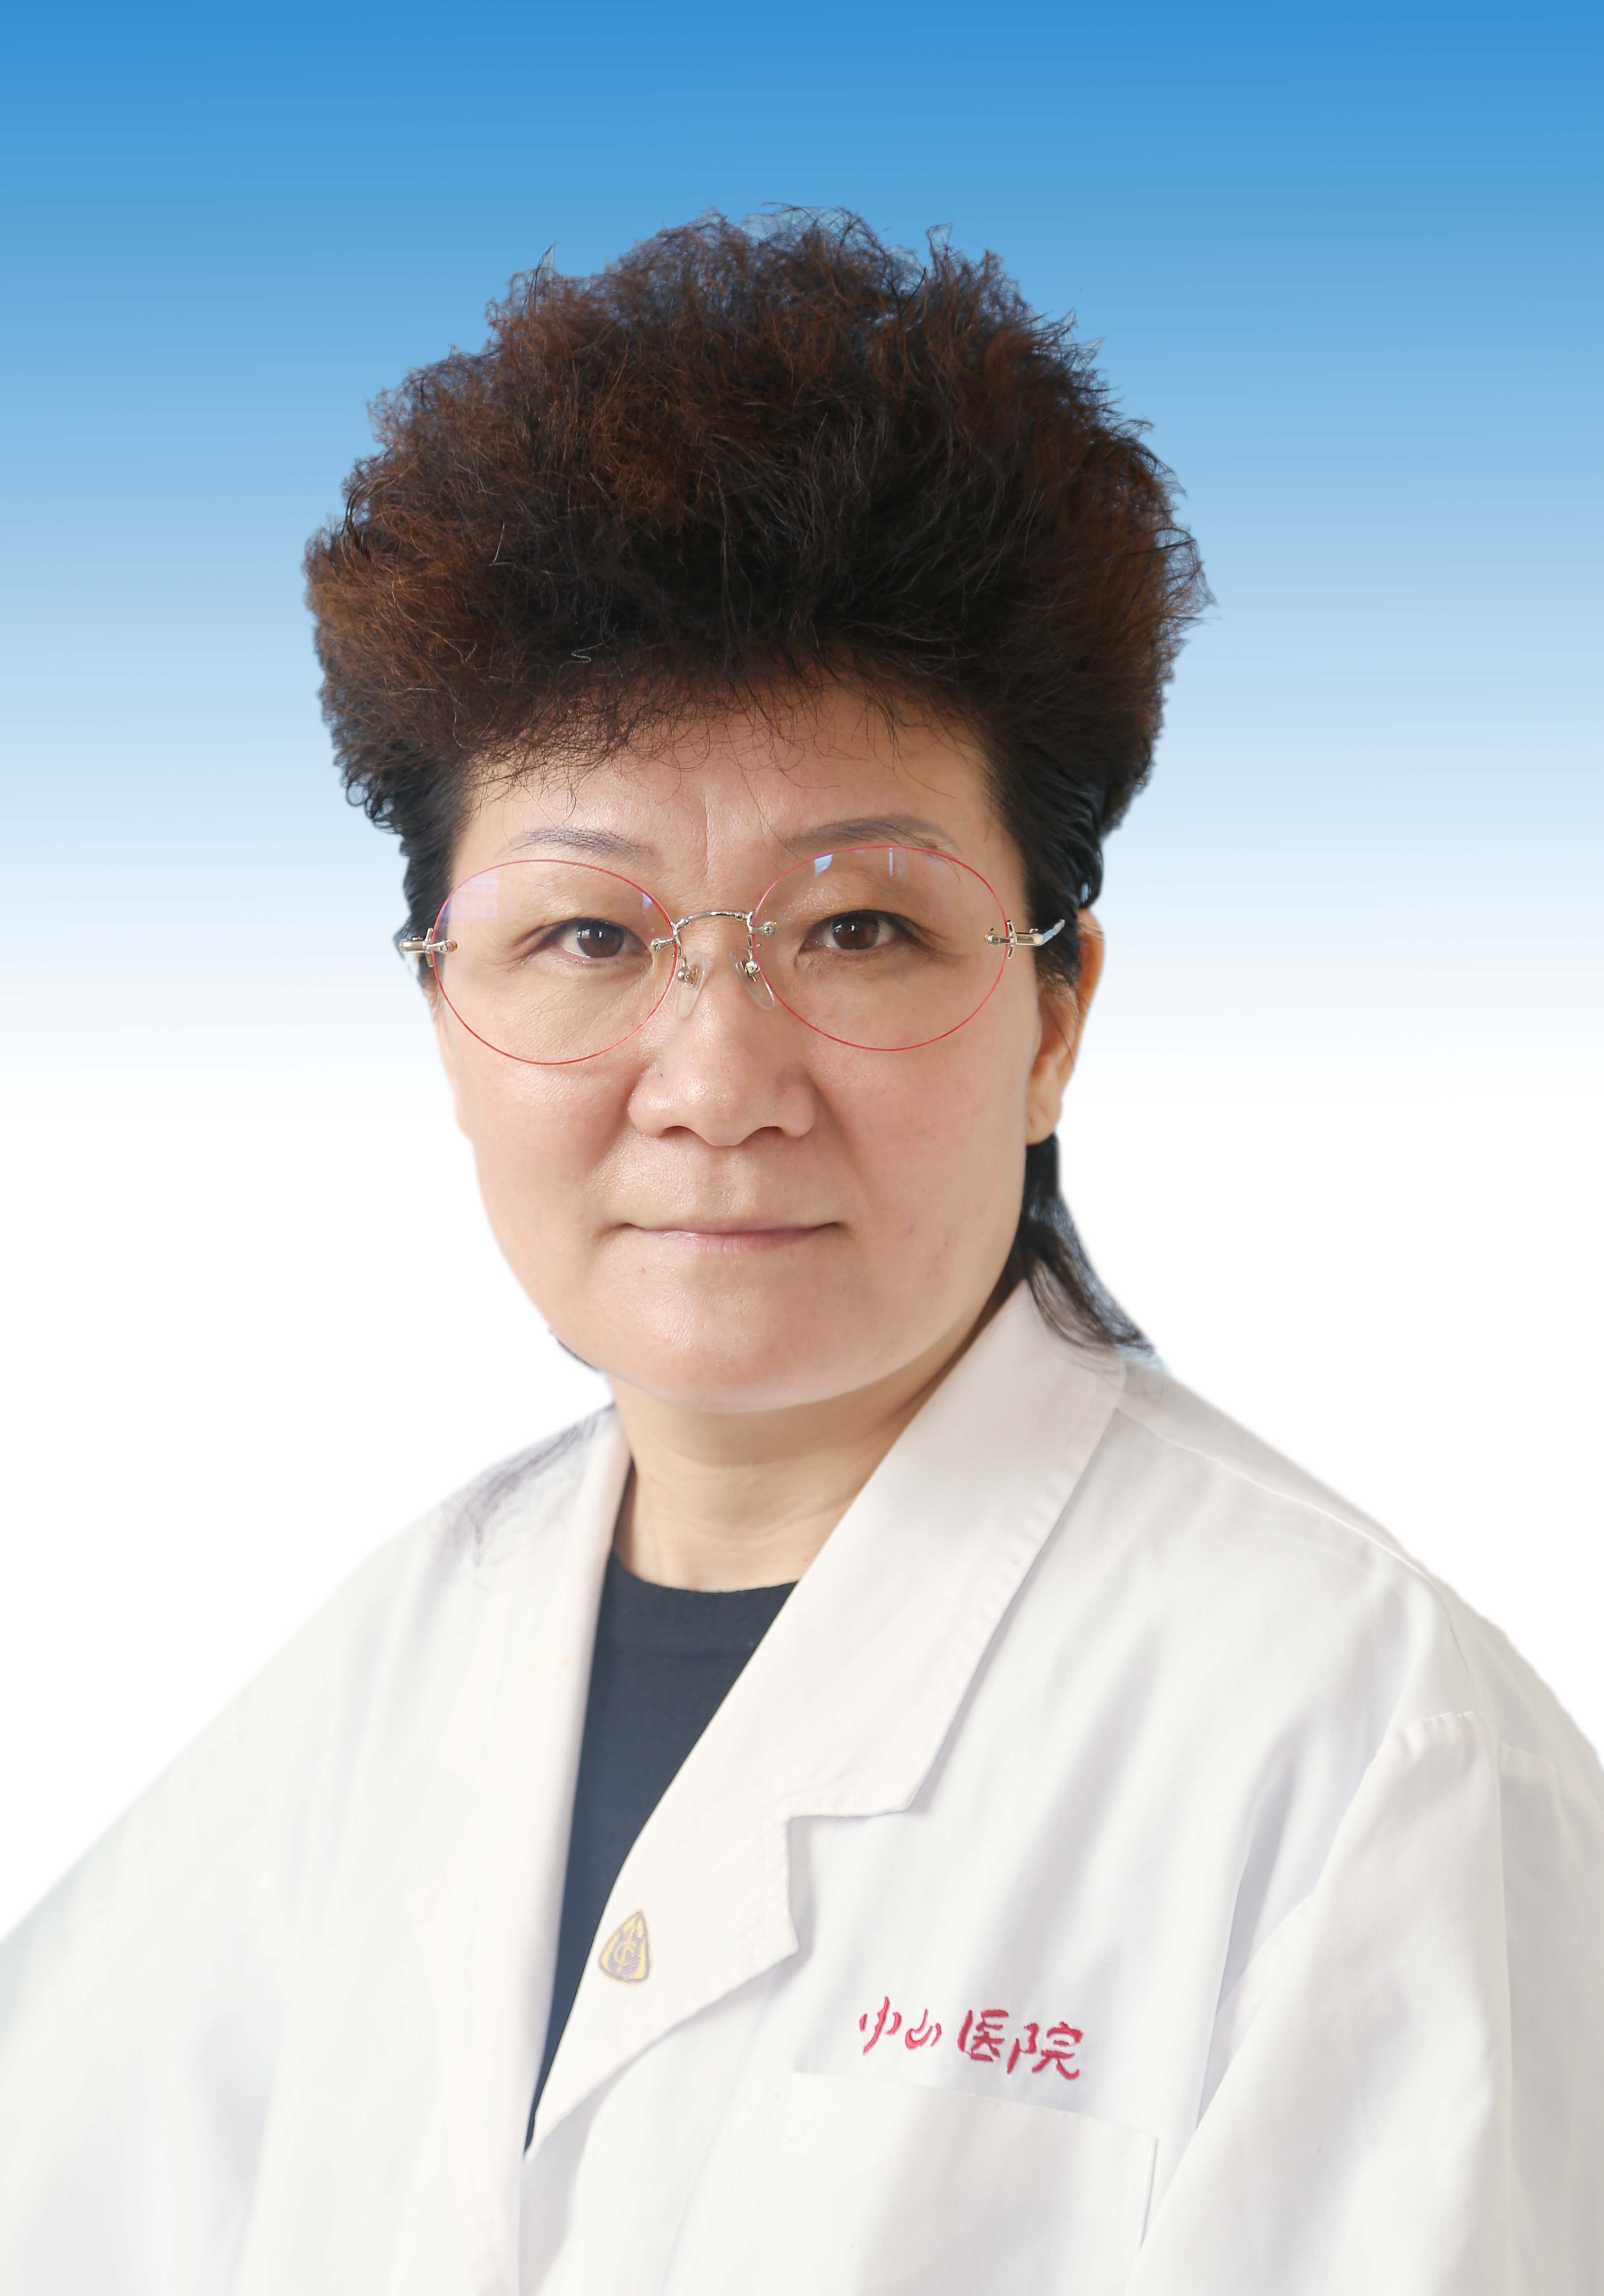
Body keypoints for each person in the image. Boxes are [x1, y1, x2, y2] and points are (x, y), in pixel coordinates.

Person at [0, 213, 1599, 2296]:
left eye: (857, 928)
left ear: (1052, 1014)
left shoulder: (1355, 1748)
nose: (714, 1079)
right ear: (441, 1008)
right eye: (587, 933)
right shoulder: (368, 1697)